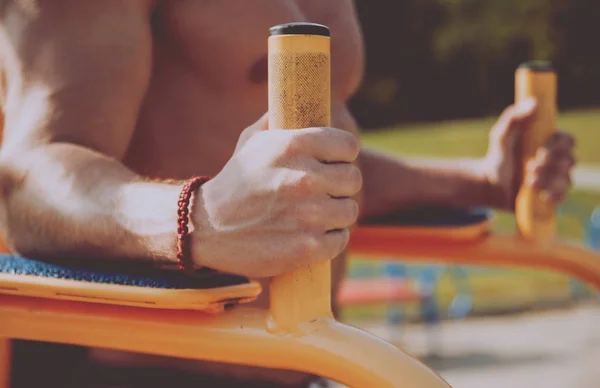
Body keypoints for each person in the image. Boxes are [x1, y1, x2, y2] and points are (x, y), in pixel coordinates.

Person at [0, 1, 575, 387]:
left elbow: (300, 176)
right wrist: (198, 217)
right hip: (142, 371)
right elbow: (30, 176)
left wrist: (479, 182)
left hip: (305, 359)